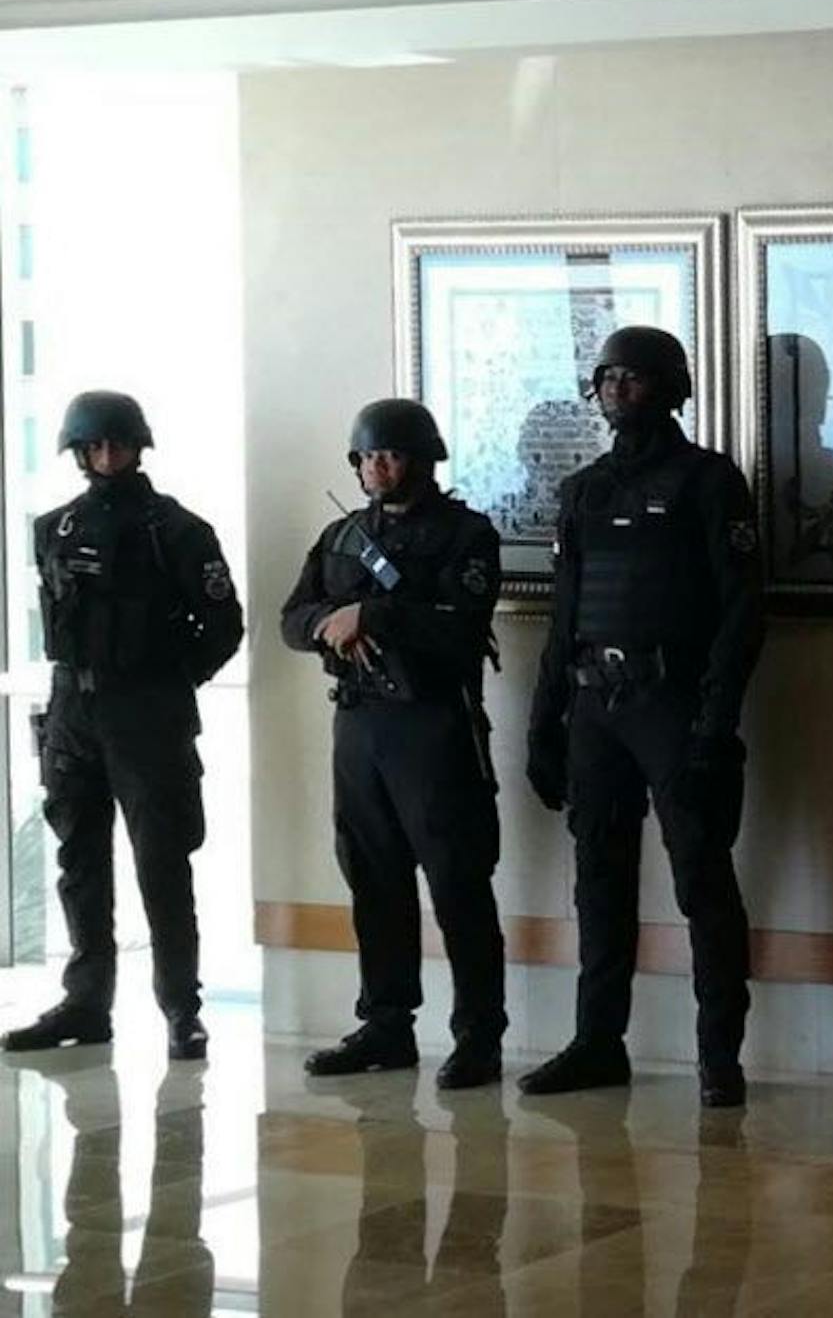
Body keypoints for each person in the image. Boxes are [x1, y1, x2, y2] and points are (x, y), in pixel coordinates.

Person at [523, 325, 765, 1109]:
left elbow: (742, 612)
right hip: (597, 706)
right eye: (606, 377)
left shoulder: (709, 481)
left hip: (674, 704)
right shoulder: (584, 490)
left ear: (669, 386)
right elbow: (564, 620)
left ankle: (719, 1057)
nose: (617, 389)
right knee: (599, 877)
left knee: (702, 876)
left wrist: (713, 721)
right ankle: (598, 1042)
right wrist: (544, 719)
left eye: (633, 376)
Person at [1, 391, 243, 1062]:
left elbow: (225, 625)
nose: (107, 457)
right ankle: (86, 1002)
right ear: (78, 452)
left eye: (118, 444)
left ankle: (181, 1009)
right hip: (73, 710)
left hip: (147, 716)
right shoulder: (54, 527)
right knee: (79, 862)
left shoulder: (177, 530)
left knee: (162, 865)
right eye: (95, 446)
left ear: (139, 447)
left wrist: (169, 684)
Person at [279, 398, 506, 1089]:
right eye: (369, 456)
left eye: (392, 454)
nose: (379, 467)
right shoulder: (342, 536)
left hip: (432, 726)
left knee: (457, 881)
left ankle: (477, 1035)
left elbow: (462, 628)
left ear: (423, 459)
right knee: (372, 879)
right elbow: (292, 618)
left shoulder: (464, 535)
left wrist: (375, 613)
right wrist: (330, 622)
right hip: (360, 724)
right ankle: (386, 1024)